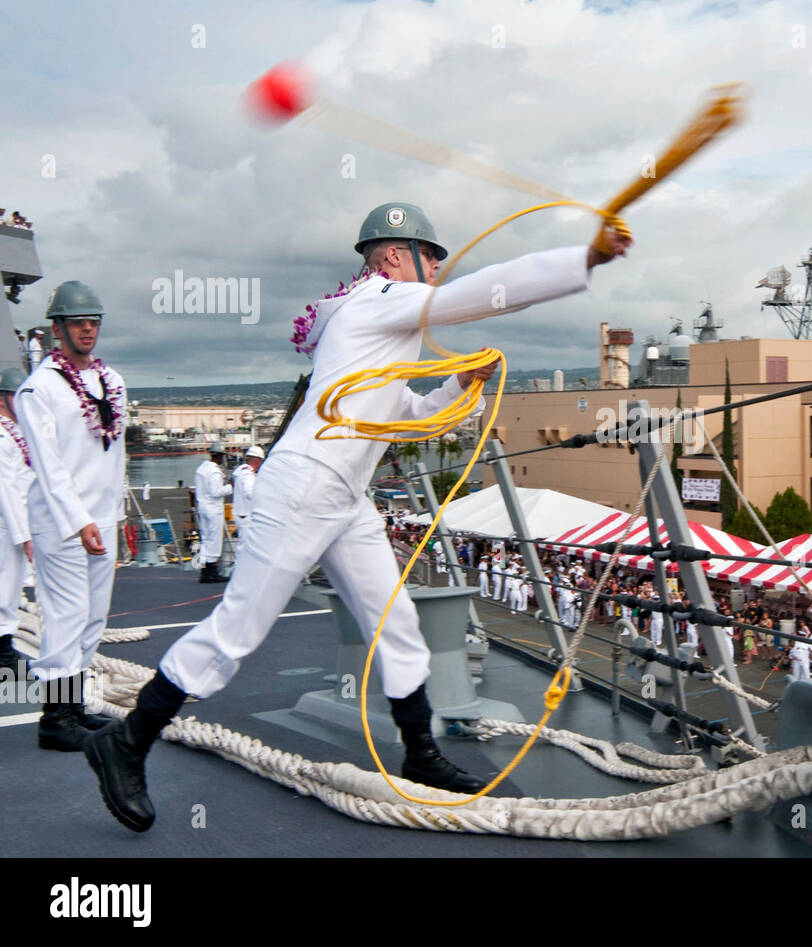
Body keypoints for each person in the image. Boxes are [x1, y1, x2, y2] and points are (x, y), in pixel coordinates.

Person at [84, 201, 631, 833]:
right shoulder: (379, 301)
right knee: (238, 629)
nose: (436, 273)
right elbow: (488, 293)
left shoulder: (375, 329)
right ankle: (127, 742)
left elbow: (402, 410)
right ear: (397, 256)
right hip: (305, 487)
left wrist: (464, 384)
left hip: (343, 495)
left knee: (396, 624)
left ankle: (421, 754)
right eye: (433, 259)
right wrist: (582, 259)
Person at [15, 281, 124, 750]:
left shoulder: (113, 381)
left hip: (104, 518)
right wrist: (80, 521)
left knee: (94, 616)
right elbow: (49, 465)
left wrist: (111, 516)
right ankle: (55, 720)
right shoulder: (37, 389)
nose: (87, 329)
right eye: (78, 321)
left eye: (93, 321)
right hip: (63, 522)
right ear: (57, 328)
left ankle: (75, 706)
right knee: (66, 613)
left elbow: (113, 457)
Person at [0, 367, 35, 680]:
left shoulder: (14, 431)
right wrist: (25, 536)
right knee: (4, 589)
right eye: (16, 396)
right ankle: (2, 656)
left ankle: (4, 648)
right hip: (6, 526)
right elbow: (6, 488)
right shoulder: (1, 436)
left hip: (13, 524)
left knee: (9, 589)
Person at [192, 448, 231, 583]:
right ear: (219, 456)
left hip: (202, 507)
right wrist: (230, 487)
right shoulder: (214, 471)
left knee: (206, 539)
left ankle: (204, 571)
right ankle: (212, 570)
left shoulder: (201, 468)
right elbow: (216, 492)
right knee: (214, 540)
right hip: (213, 509)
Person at [230, 445, 264, 550]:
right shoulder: (248, 475)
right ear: (257, 460)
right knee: (245, 546)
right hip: (246, 516)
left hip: (242, 514)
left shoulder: (241, 472)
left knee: (244, 545)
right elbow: (249, 493)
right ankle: (240, 565)